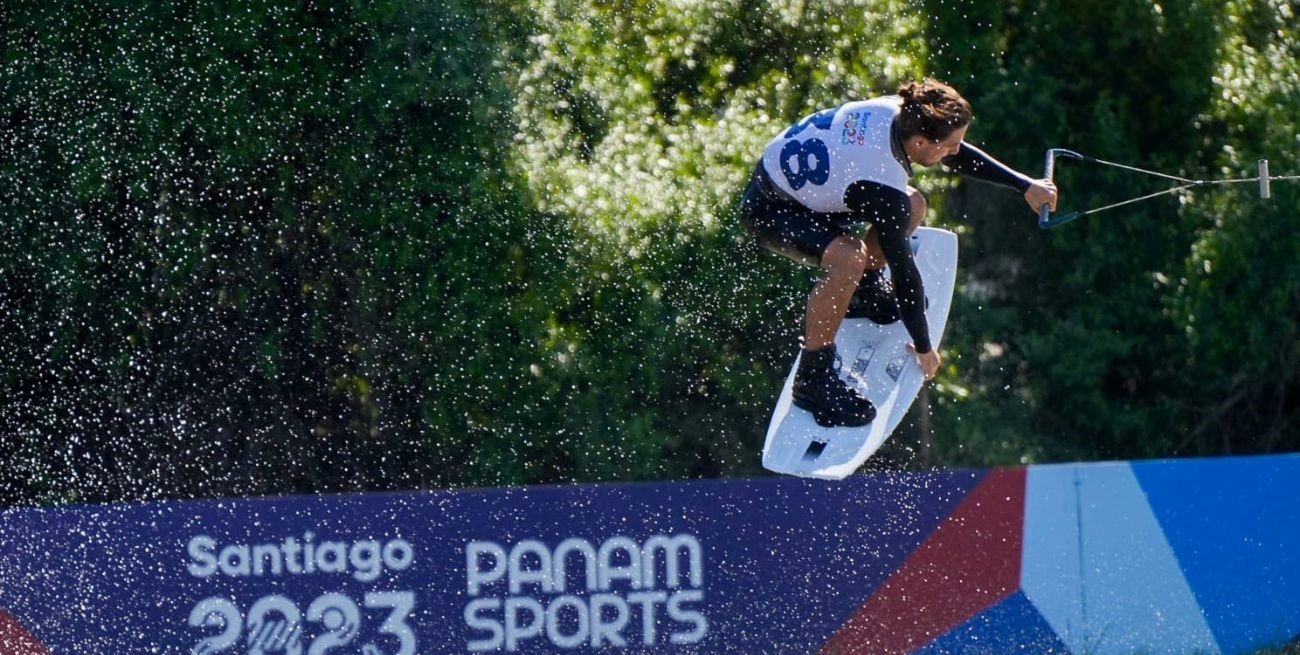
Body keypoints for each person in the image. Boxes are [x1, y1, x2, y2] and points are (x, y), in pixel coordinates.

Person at [740, 79, 1058, 427]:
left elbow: (956, 154)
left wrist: (1023, 185)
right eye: (949, 145)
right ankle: (812, 379)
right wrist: (924, 346)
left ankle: (865, 292)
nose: (955, 151)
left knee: (914, 203)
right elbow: (905, 274)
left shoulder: (905, 111)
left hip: (819, 187)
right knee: (850, 256)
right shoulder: (881, 183)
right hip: (772, 207)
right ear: (921, 142)